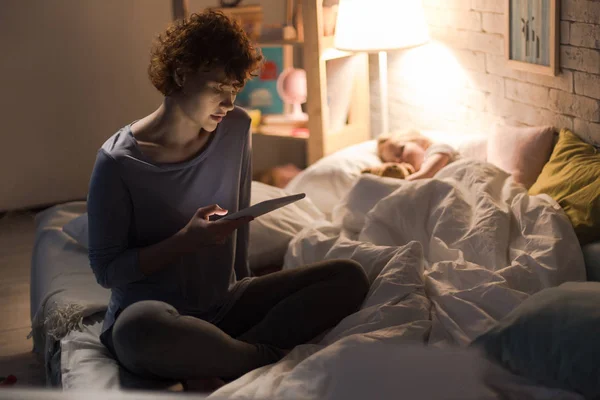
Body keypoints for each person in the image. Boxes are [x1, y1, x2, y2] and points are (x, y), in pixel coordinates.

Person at [87, 11, 369, 390]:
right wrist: (187, 241)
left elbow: (238, 239)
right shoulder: (118, 161)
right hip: (154, 312)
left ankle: (228, 357)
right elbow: (108, 272)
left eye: (235, 87)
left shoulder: (235, 127)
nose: (229, 100)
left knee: (347, 277)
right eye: (219, 86)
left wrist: (251, 287)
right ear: (182, 73)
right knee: (138, 332)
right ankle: (256, 358)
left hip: (225, 304)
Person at [375, 130, 459, 181]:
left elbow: (426, 174)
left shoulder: (437, 148)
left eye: (400, 151)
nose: (399, 161)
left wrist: (396, 184)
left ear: (416, 141)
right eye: (393, 162)